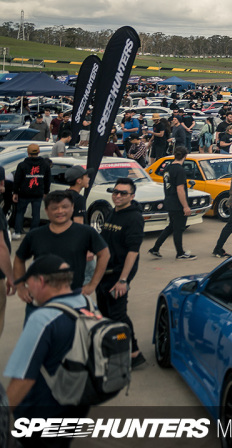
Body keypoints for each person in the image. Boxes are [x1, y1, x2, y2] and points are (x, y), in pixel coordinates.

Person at [4, 255, 95, 427]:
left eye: (28, 283)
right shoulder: (88, 304)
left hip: (41, 414)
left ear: (40, 281)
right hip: (77, 406)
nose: (29, 291)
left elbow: (23, 378)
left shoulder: (42, 319)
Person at [14, 192, 109, 314]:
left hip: (73, 298)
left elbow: (104, 254)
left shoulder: (86, 232)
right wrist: (20, 286)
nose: (60, 211)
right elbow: (19, 259)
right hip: (40, 299)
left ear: (72, 207)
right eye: (54, 208)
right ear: (46, 210)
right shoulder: (35, 235)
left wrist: (92, 285)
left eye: (64, 207)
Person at [96, 177, 146, 370]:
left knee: (118, 314)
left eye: (123, 193)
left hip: (119, 273)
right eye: (115, 192)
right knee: (104, 312)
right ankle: (113, 348)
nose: (117, 196)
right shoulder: (112, 212)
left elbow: (133, 251)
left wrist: (123, 280)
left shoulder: (134, 218)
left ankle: (134, 353)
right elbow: (105, 239)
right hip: (104, 271)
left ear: (132, 196)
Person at [148, 148, 197, 260]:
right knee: (178, 229)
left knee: (171, 226)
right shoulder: (180, 170)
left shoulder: (168, 168)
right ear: (185, 156)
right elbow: (180, 189)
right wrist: (185, 206)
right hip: (177, 203)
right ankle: (180, 253)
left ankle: (155, 248)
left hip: (169, 200)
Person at [12, 144, 51, 236]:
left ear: (28, 153)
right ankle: (33, 233)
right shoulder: (45, 165)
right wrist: (46, 192)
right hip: (38, 193)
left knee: (20, 212)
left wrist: (15, 192)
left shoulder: (22, 165)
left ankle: (17, 232)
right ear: (39, 152)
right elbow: (47, 180)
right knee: (36, 214)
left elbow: (17, 180)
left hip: (24, 193)